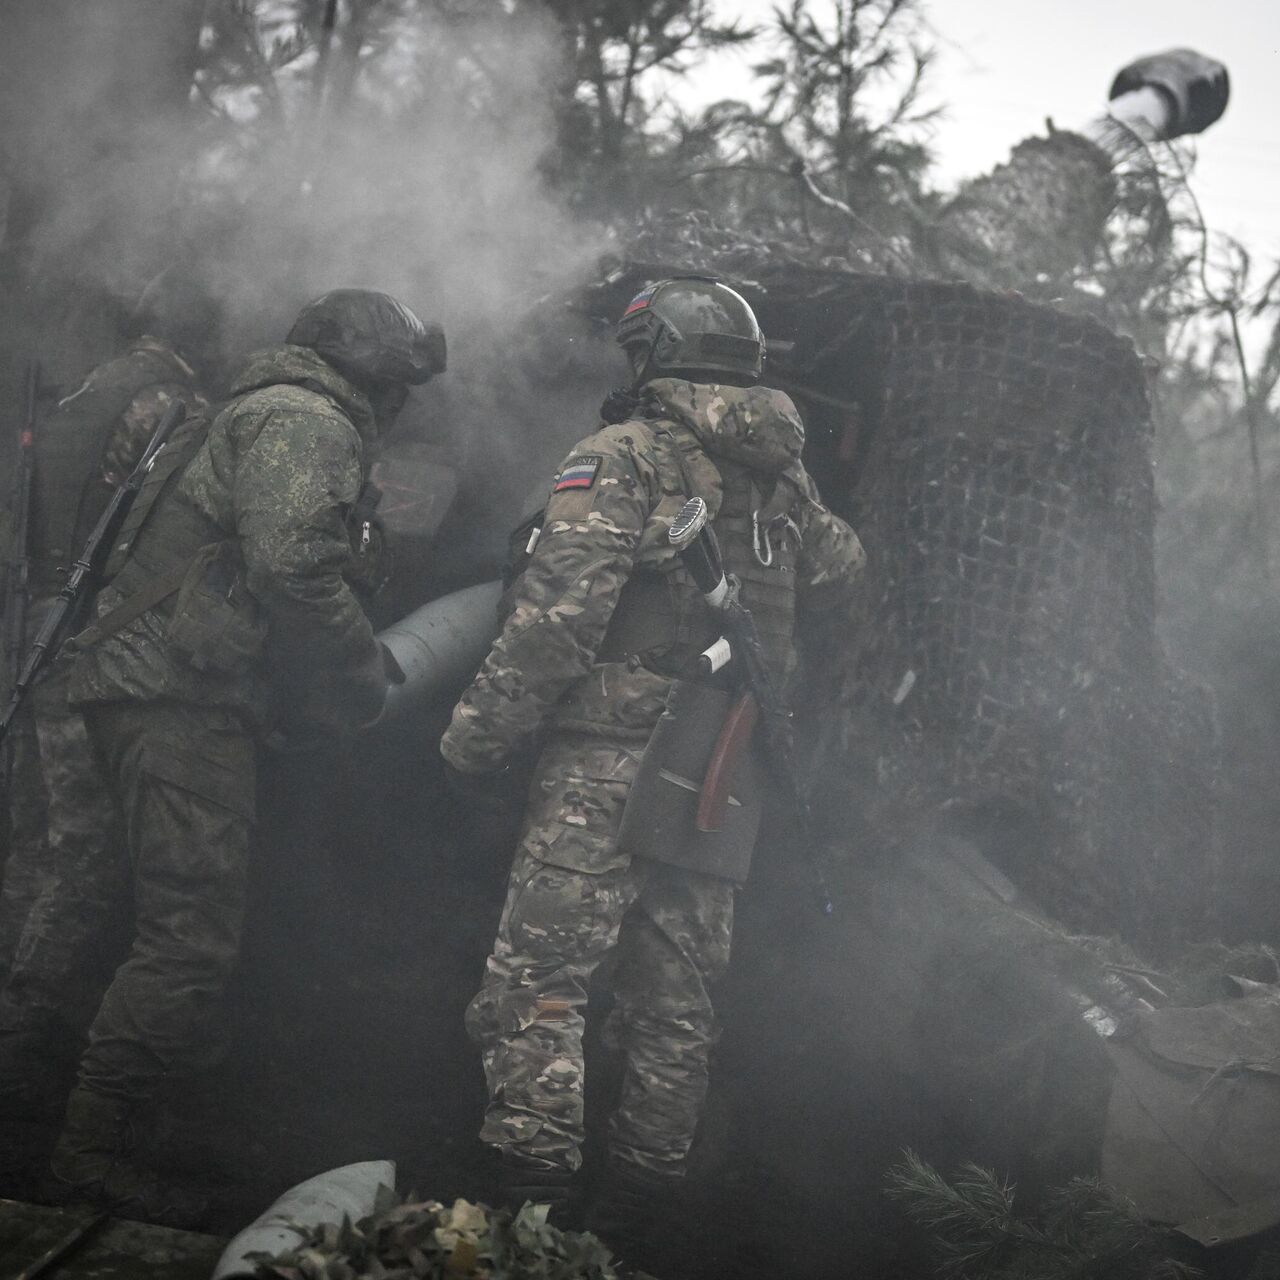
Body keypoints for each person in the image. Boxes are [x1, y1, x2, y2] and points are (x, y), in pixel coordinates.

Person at [0, 288, 444, 1225]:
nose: (402, 410)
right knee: (188, 942)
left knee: (168, 927)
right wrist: (362, 670)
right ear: (372, 375)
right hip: (178, 701)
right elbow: (291, 566)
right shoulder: (303, 417)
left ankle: (85, 1124)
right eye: (400, 387)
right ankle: (85, 1160)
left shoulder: (259, 409)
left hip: (163, 692)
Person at [440, 277, 865, 1255]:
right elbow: (845, 571)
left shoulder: (621, 456)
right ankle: (628, 1232)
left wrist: (474, 737)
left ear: (653, 356)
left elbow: (553, 629)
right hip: (723, 760)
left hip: (610, 755)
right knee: (675, 997)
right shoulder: (782, 478)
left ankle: (529, 1224)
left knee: (538, 980)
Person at [0, 318, 207, 996]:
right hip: (74, 634)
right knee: (83, 847)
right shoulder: (167, 402)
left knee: (30, 832)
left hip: (25, 624)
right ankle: (26, 1020)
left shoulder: (81, 395)